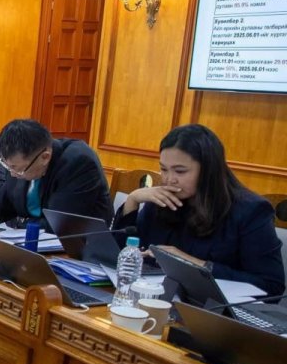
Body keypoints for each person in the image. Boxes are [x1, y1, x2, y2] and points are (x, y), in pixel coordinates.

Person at [116, 124, 284, 294]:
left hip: (214, 306)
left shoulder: (251, 210)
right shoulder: (161, 198)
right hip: (156, 296)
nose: (169, 179)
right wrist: (133, 200)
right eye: (164, 169)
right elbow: (122, 257)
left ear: (208, 171)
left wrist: (192, 263)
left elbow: (271, 286)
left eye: (180, 171)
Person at [0, 118, 111, 228]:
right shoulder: (19, 164)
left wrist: (19, 223)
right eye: (8, 166)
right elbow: (3, 201)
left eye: (17, 169)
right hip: (30, 238)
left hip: (78, 243)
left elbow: (59, 223)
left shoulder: (78, 162)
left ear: (45, 157)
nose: (12, 174)